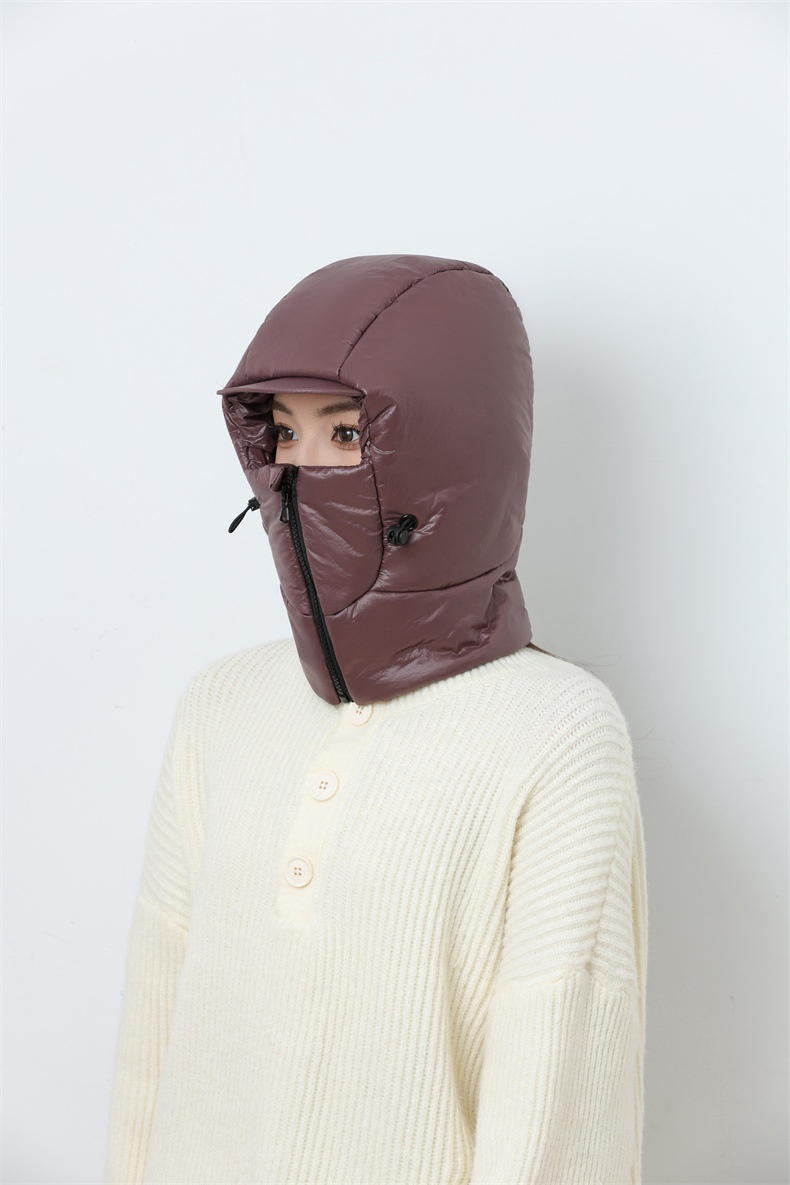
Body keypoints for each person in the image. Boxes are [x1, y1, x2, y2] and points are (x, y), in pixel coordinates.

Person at [103, 253, 648, 1184]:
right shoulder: (221, 704)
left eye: (347, 431)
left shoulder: (557, 731)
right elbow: (156, 1027)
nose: (300, 468)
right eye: (285, 430)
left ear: (454, 452)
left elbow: (563, 1089)